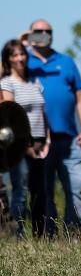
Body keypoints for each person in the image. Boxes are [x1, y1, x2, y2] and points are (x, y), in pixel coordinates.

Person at [25, 19, 81, 236]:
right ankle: (48, 236)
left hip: (69, 138)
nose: (43, 34)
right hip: (38, 140)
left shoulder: (66, 62)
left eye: (47, 31)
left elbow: (80, 97)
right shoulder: (23, 60)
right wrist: (19, 42)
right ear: (31, 33)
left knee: (77, 190)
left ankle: (74, 236)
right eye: (38, 31)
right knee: (44, 191)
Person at [1, 39, 50, 239]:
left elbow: (42, 113)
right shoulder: (6, 83)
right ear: (8, 59)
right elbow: (11, 116)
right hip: (19, 144)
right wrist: (25, 145)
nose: (20, 58)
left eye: (22, 53)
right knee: (20, 191)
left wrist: (47, 140)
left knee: (40, 191)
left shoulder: (34, 82)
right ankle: (18, 236)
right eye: (14, 55)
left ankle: (41, 237)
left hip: (41, 143)